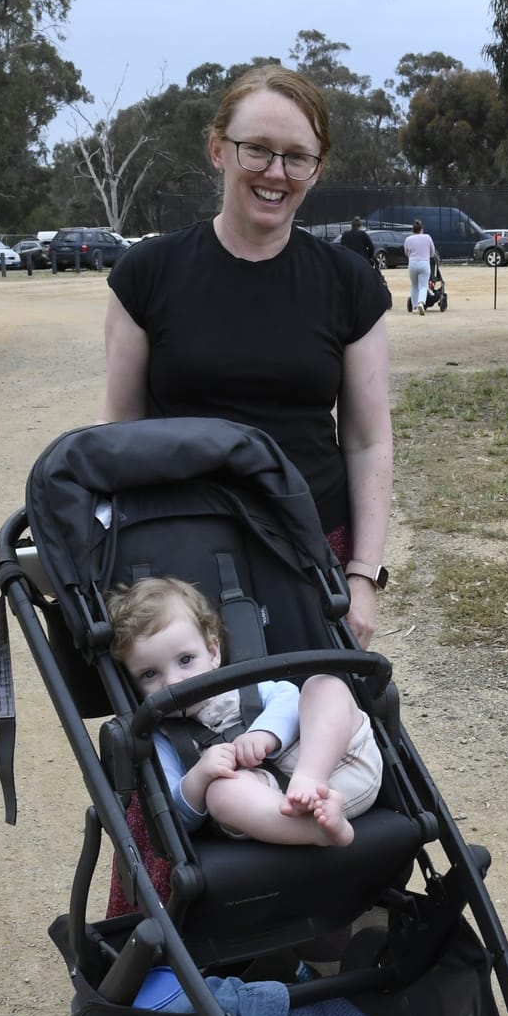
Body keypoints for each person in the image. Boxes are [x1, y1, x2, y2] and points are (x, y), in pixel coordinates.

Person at [98, 64, 394, 647]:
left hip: (310, 550)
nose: (275, 173)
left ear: (317, 167)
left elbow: (368, 439)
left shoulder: (350, 284)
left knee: (318, 722)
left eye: (296, 157)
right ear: (218, 150)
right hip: (178, 554)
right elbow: (120, 435)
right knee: (200, 731)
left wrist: (362, 577)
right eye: (256, 150)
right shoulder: (145, 276)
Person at [110, 576, 382, 848]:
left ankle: (310, 778)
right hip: (275, 810)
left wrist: (266, 733)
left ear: (213, 652)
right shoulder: (162, 738)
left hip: (341, 764)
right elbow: (176, 820)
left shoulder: (246, 685)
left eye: (185, 660)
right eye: (149, 674)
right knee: (221, 794)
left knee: (323, 685)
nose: (172, 682)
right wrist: (200, 776)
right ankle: (316, 831)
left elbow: (289, 700)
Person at [402, 220, 438, 315]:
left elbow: (406, 252)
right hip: (424, 263)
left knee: (414, 285)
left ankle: (414, 307)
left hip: (412, 263)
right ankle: (421, 303)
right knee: (423, 286)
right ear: (422, 229)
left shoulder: (408, 239)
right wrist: (428, 255)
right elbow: (432, 251)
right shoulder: (427, 237)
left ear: (412, 230)